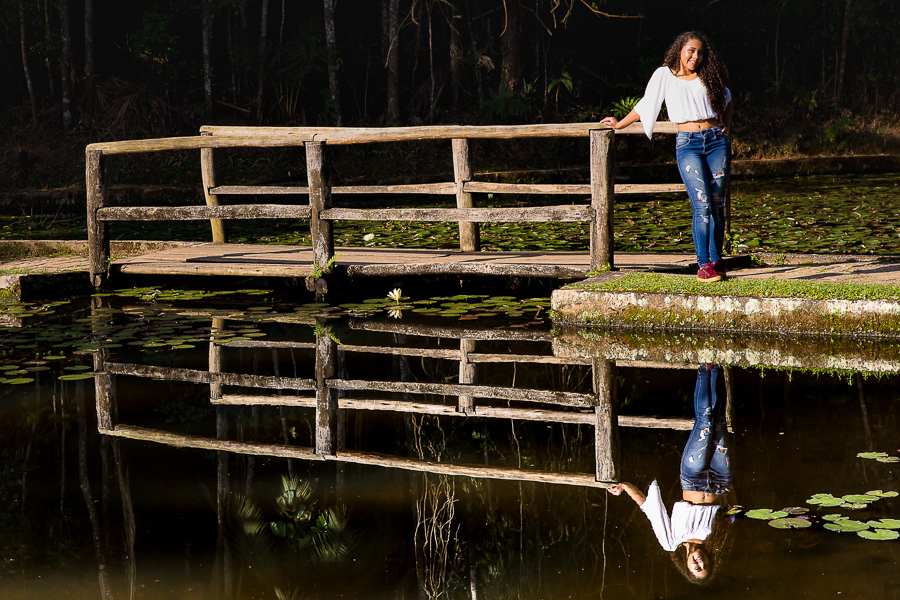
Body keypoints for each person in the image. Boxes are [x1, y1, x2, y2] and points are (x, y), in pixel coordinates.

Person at [600, 31, 734, 282]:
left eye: (700, 52)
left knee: (717, 203)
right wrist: (620, 124)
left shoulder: (709, 75)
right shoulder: (664, 75)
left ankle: (717, 261)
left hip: (716, 142)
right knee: (702, 204)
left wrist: (726, 128)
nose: (695, 56)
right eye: (691, 51)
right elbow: (646, 104)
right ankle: (704, 265)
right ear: (680, 50)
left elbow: (727, 100)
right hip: (688, 145)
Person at [607, 364, 734, 585]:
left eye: (696, 569)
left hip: (693, 478)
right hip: (720, 478)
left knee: (704, 421)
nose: (699, 564)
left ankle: (706, 367)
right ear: (711, 560)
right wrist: (730, 488)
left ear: (686, 567)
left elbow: (650, 508)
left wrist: (626, 486)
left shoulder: (671, 541)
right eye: (705, 566)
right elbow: (733, 509)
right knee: (720, 419)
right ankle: (719, 366)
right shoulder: (718, 537)